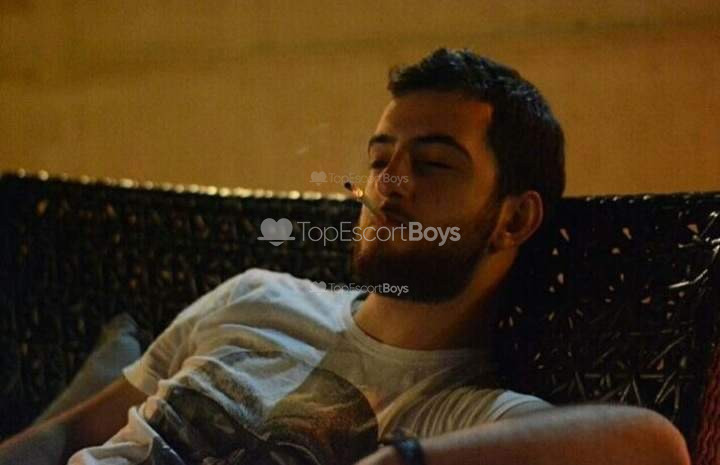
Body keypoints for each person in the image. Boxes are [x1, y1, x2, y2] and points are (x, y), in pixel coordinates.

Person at [0, 48, 690, 465]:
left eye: (433, 164)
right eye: (380, 158)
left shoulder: (465, 416)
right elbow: (67, 434)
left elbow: (654, 447)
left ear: (513, 218)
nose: (389, 184)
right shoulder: (255, 295)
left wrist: (403, 460)